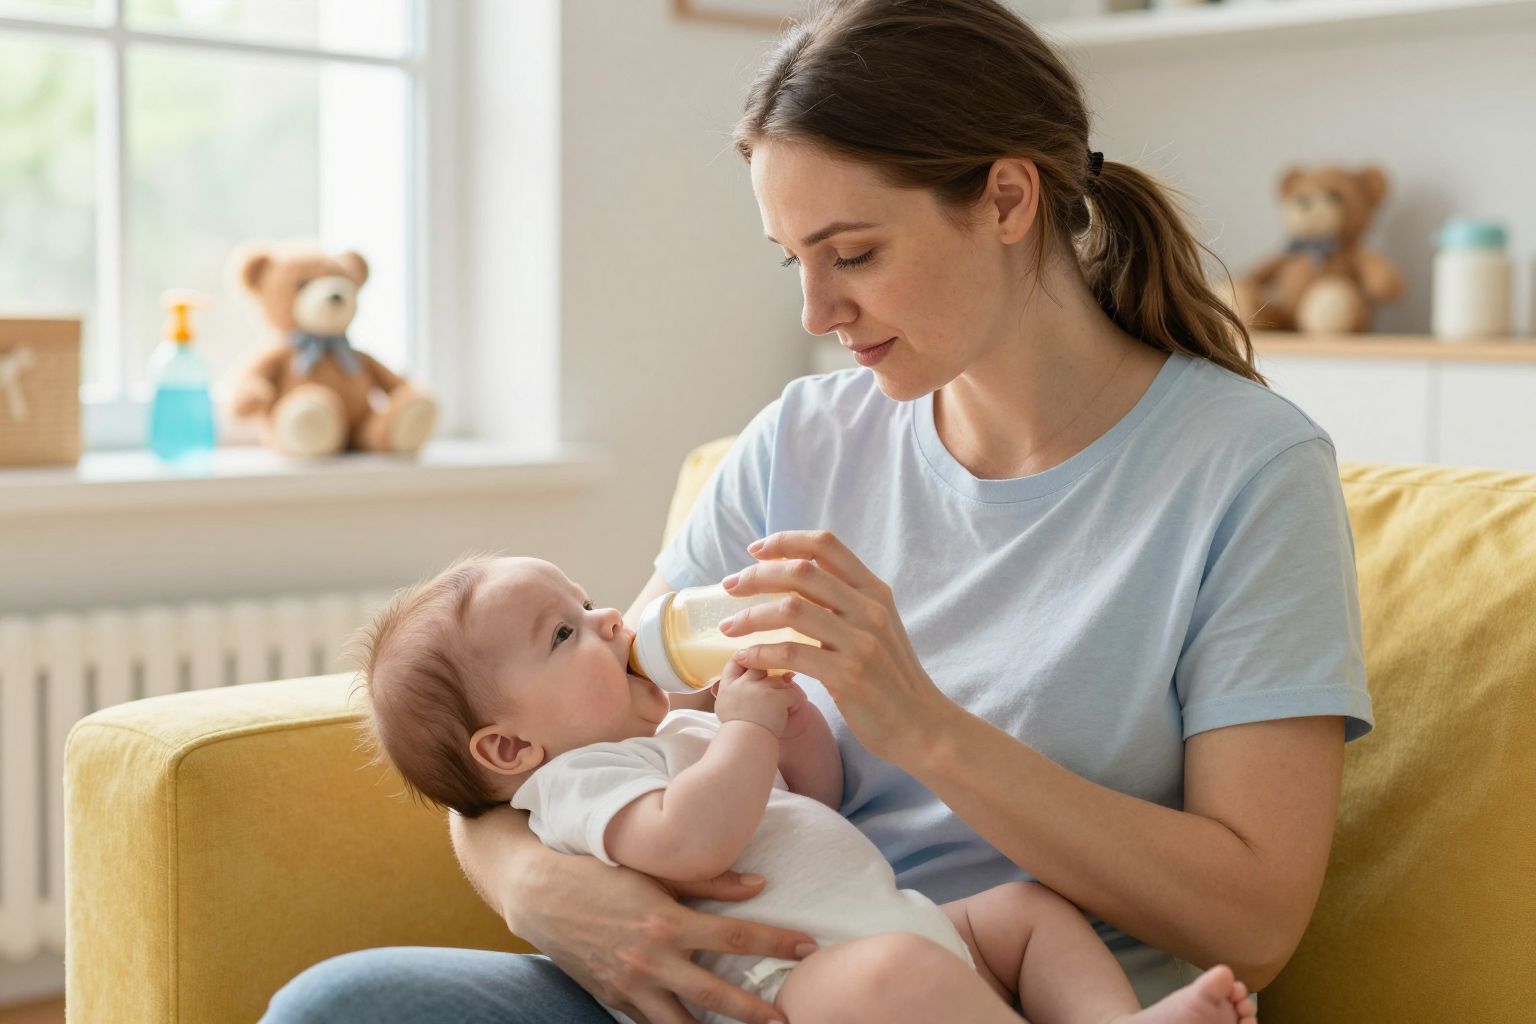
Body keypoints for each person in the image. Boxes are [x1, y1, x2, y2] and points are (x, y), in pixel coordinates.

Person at [263, 0, 1373, 1021]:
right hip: (746, 981)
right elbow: (555, 739)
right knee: (346, 1005)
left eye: (852, 254)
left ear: (1007, 198)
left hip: (992, 986)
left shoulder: (1246, 471)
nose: (817, 309)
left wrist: (921, 725)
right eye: (793, 260)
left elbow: (1254, 925)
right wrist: (543, 893)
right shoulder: (803, 439)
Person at [335, 552, 1261, 1024]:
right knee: (895, 977)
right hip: (797, 987)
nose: (609, 617)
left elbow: (813, 799)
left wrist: (793, 723)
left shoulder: (675, 730)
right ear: (509, 747)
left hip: (905, 924)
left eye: (583, 601)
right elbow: (688, 843)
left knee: (1025, 909)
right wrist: (746, 727)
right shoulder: (579, 785)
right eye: (564, 634)